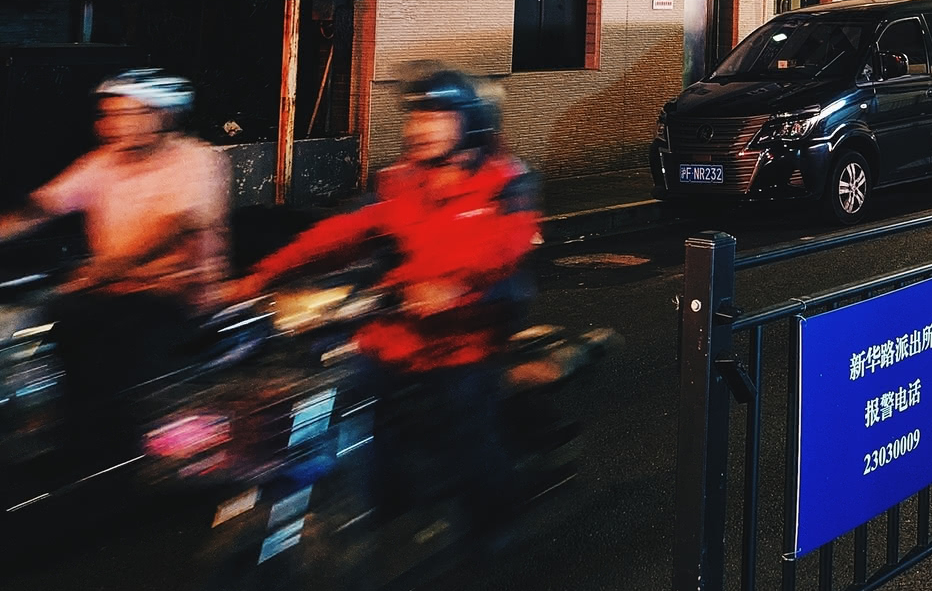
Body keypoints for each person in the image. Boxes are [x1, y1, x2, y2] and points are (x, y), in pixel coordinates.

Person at [237, 70, 539, 543]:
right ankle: (376, 507)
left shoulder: (505, 180)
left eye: (437, 118)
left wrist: (453, 287)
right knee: (334, 396)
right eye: (417, 118)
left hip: (467, 335)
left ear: (468, 123)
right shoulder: (399, 181)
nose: (421, 129)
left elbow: (505, 249)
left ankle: (493, 521)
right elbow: (341, 234)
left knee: (466, 424)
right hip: (396, 331)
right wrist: (263, 275)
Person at [0, 70, 229, 458]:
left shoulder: (197, 161)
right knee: (42, 328)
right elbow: (37, 209)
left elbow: (175, 227)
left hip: (176, 300)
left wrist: (107, 270)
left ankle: (123, 461)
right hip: (109, 293)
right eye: (108, 115)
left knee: (103, 345)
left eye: (127, 114)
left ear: (162, 116)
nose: (111, 124)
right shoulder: (101, 163)